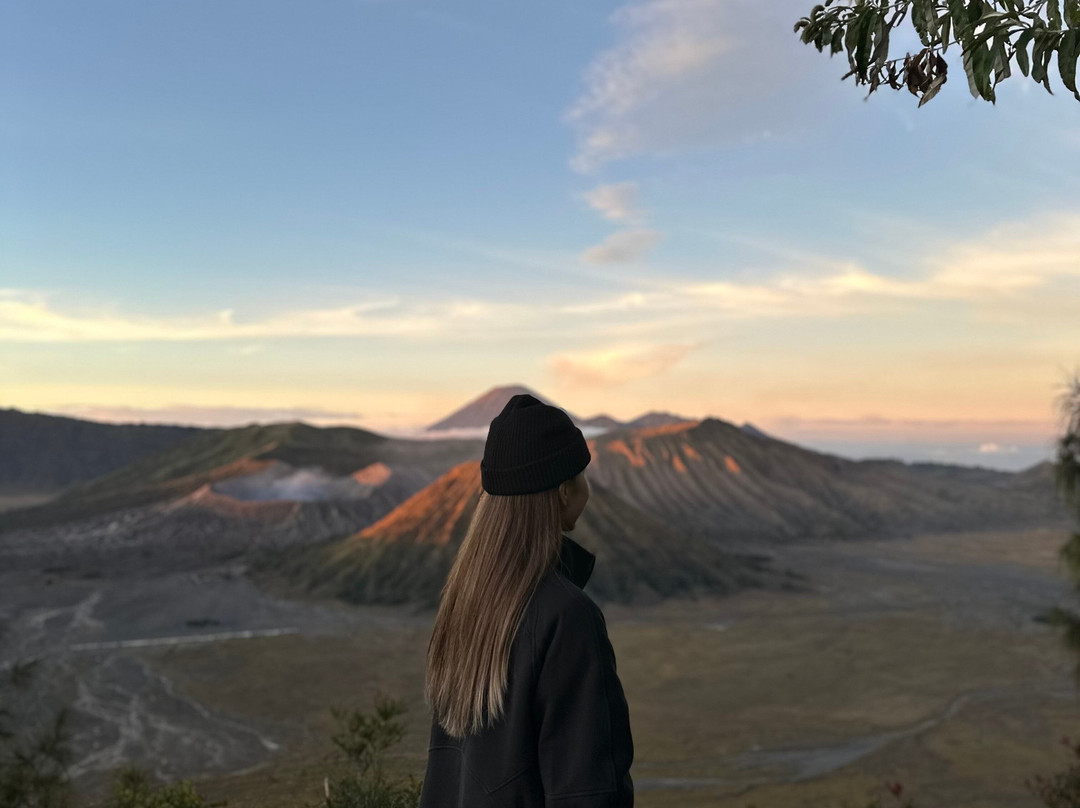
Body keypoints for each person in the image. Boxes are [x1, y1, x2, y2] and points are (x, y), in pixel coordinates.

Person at [418, 393, 634, 807]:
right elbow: (587, 791)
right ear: (563, 490)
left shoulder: (467, 603)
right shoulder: (567, 617)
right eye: (582, 475)